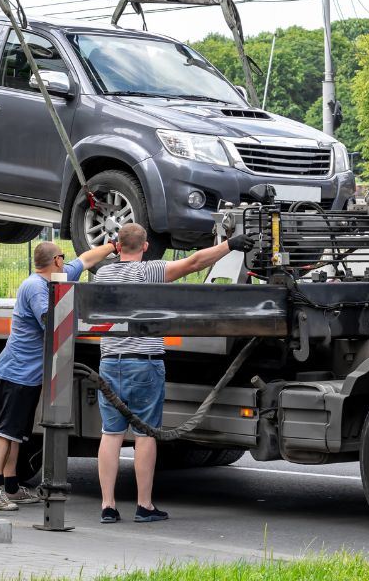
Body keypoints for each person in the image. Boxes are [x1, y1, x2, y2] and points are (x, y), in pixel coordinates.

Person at [94, 222, 252, 524]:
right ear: (144, 247)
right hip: (144, 362)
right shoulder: (149, 271)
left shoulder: (104, 273)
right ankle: (144, 505)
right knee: (145, 434)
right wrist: (230, 245)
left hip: (110, 361)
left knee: (111, 433)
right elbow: (193, 262)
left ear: (117, 246)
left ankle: (108, 506)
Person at [0, 239, 117, 512]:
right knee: (6, 431)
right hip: (17, 372)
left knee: (18, 434)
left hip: (30, 374)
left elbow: (87, 259)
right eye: (63, 257)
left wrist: (112, 246)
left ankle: (12, 487)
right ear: (56, 260)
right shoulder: (36, 288)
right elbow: (52, 321)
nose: (66, 261)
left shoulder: (55, 277)